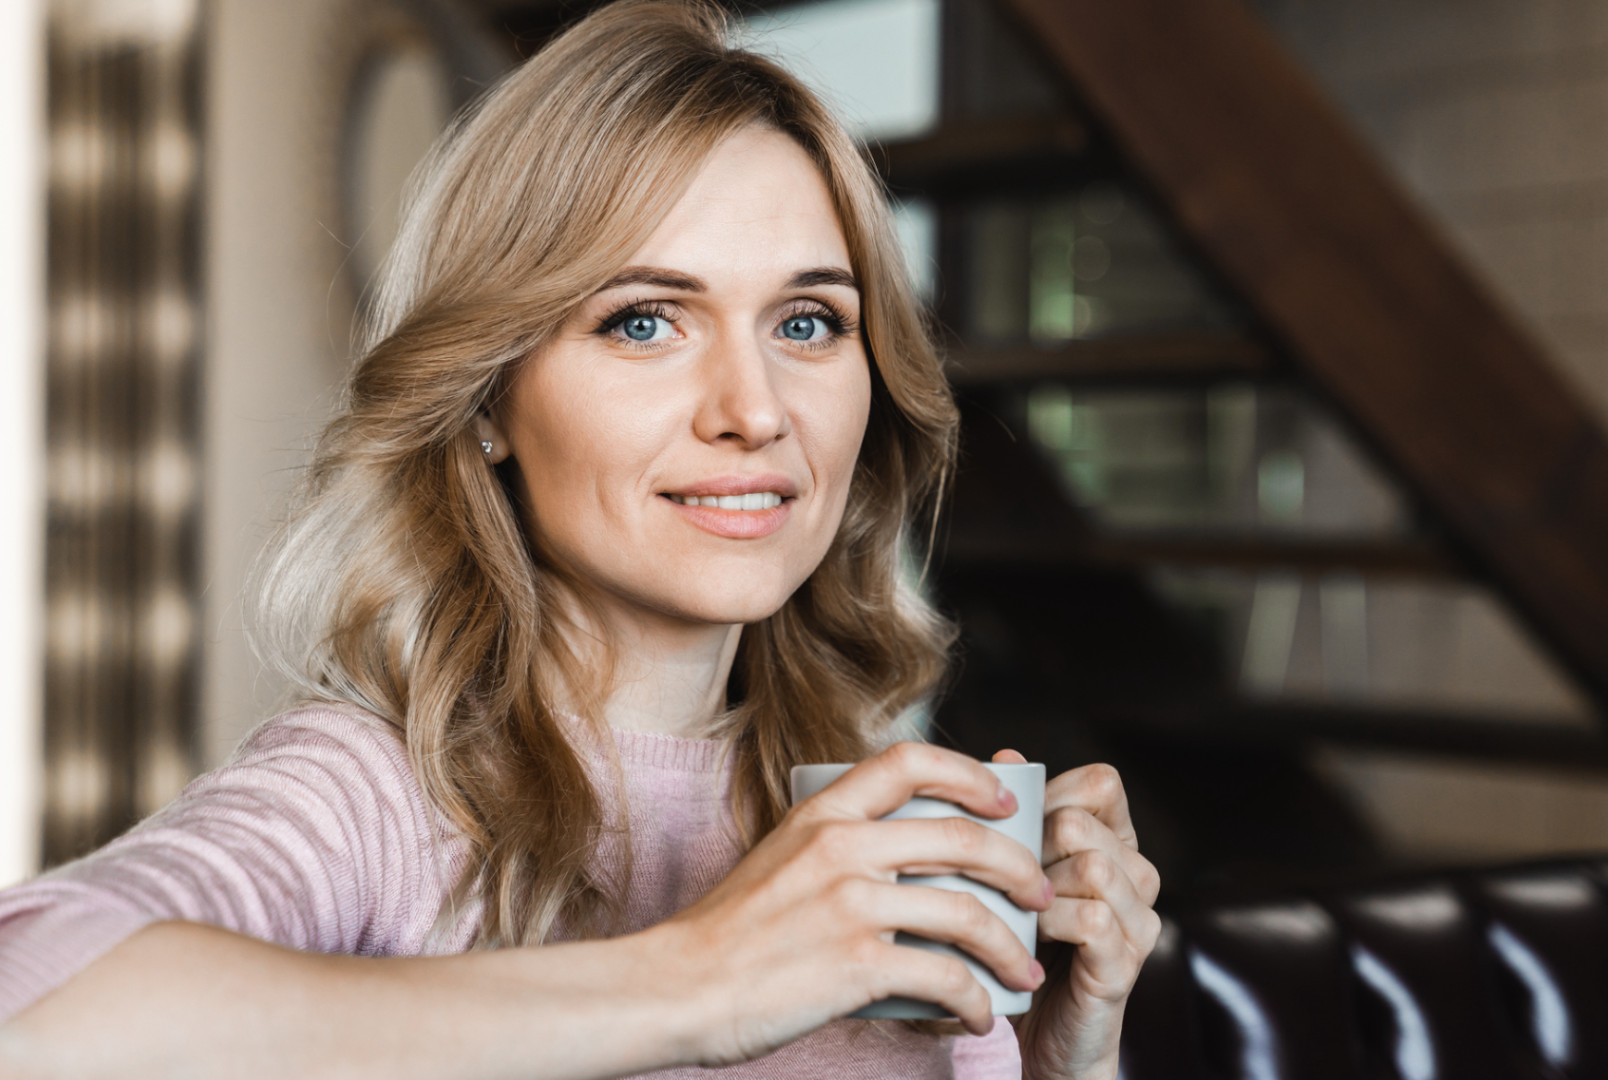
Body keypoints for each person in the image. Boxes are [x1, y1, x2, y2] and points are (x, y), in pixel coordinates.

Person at [0, 2, 1161, 1077]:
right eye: (644, 320)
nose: (754, 410)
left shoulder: (876, 844)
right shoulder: (377, 801)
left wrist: (1067, 1061)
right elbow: (30, 1015)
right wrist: (705, 973)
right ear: (491, 399)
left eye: (808, 321)